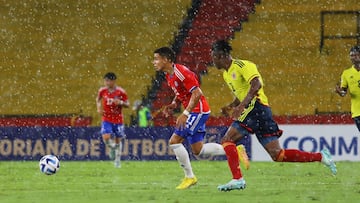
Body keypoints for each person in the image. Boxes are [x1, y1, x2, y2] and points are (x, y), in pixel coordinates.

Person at [210, 40, 337, 192]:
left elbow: (256, 85)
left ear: (221, 55)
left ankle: (237, 179)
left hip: (256, 108)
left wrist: (242, 106)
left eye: (214, 57)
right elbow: (242, 92)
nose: (212, 61)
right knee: (278, 155)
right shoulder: (226, 74)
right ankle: (321, 157)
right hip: (260, 112)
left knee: (227, 140)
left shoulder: (243, 66)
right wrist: (232, 105)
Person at [152, 47, 248, 190]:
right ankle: (234, 149)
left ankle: (189, 177)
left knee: (174, 141)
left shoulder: (181, 72)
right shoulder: (169, 75)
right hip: (194, 111)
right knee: (198, 150)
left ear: (166, 59)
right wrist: (174, 103)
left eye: (156, 59)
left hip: (198, 111)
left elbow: (197, 93)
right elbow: (181, 93)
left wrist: (185, 113)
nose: (154, 62)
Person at [96, 72, 129, 168]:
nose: (106, 83)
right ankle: (111, 148)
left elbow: (128, 104)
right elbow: (98, 99)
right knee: (106, 137)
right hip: (107, 118)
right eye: (105, 80)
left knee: (118, 140)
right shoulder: (102, 91)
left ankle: (117, 160)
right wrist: (98, 108)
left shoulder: (121, 92)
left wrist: (121, 102)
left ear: (113, 81)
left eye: (108, 81)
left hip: (118, 119)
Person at [335, 45, 360, 131]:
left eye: (356, 55)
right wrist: (339, 91)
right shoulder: (346, 73)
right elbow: (343, 93)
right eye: (351, 55)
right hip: (357, 112)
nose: (353, 57)